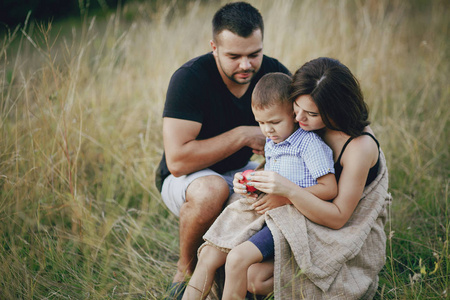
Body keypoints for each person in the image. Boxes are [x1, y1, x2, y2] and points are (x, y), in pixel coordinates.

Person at [155, 2, 290, 297]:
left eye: (254, 54)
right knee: (212, 191)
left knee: (270, 193)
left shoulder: (274, 74)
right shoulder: (189, 79)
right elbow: (177, 161)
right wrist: (241, 135)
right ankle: (185, 268)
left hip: (242, 171)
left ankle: (234, 275)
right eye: (234, 56)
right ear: (214, 47)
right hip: (187, 179)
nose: (246, 65)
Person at [226, 57, 387, 299]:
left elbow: (338, 218)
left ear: (335, 110)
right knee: (243, 266)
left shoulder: (358, 146)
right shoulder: (307, 124)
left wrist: (288, 194)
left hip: (335, 226)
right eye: (296, 107)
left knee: (256, 280)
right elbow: (289, 167)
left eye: (310, 113)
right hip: (305, 213)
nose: (299, 118)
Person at [183, 73, 337, 299]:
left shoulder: (309, 144)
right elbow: (274, 175)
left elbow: (329, 188)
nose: (267, 130)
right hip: (263, 213)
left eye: (274, 122)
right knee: (208, 255)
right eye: (261, 123)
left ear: (294, 115)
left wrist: (286, 197)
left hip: (291, 219)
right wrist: (248, 183)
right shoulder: (273, 142)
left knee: (236, 259)